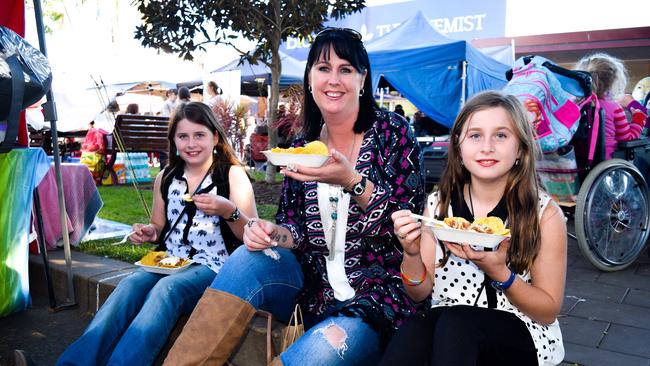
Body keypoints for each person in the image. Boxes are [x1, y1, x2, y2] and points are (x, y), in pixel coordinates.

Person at [163, 27, 425, 366]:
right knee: (246, 257)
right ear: (310, 77)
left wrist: (352, 180)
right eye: (323, 68)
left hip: (377, 299)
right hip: (313, 291)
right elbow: (295, 230)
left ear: (363, 79)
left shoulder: (394, 134)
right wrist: (274, 233)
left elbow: (407, 226)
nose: (333, 79)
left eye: (345, 69)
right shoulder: (301, 147)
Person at [56, 102, 258, 366]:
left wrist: (228, 211)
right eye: (183, 136)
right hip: (169, 261)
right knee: (129, 284)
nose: (191, 143)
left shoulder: (231, 176)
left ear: (215, 138)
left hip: (213, 266)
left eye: (199, 135)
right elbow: (159, 227)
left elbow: (252, 235)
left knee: (167, 290)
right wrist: (149, 232)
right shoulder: (166, 177)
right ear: (173, 140)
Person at [381, 91, 567, 365]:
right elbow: (418, 292)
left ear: (520, 149)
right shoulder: (438, 206)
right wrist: (410, 254)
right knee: (415, 328)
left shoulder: (543, 214)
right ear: (458, 147)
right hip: (449, 330)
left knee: (458, 323)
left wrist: (500, 272)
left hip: (521, 335)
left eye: (501, 135)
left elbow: (547, 311)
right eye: (475, 135)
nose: (487, 147)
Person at [574, 53, 647, 159]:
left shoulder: (577, 105)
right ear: (612, 82)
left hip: (577, 161)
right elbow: (626, 138)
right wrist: (639, 120)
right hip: (607, 162)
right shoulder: (614, 108)